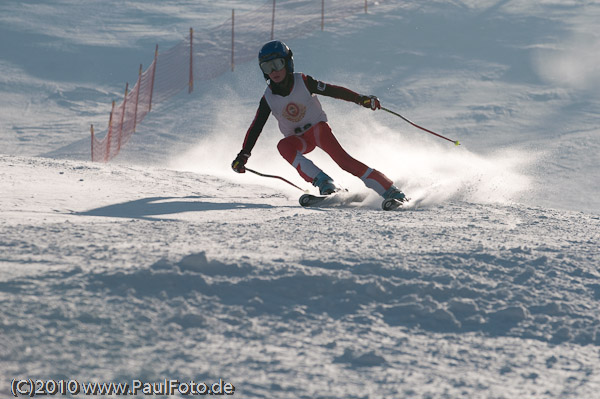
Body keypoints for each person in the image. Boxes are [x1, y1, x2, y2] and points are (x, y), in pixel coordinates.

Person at [231, 40, 406, 204]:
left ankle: (391, 191)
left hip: (317, 130)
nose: (274, 71)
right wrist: (243, 155)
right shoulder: (268, 98)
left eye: (277, 64)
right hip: (298, 139)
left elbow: (333, 91)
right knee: (283, 146)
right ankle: (325, 183)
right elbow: (256, 127)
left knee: (344, 162)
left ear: (288, 63)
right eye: (267, 67)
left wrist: (361, 99)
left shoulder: (303, 82)